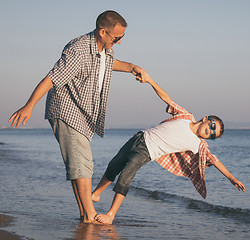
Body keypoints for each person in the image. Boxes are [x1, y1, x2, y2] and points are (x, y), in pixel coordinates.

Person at [8, 10, 147, 223]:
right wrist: (29, 106)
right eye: (117, 38)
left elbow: (108, 64)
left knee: (77, 164)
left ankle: (84, 214)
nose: (119, 43)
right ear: (103, 32)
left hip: (83, 114)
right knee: (83, 163)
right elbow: (51, 78)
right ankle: (90, 215)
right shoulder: (79, 50)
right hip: (65, 109)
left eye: (122, 38)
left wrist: (132, 68)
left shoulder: (105, 50)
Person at [92, 72, 245, 224]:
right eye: (212, 127)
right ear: (206, 118)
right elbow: (167, 99)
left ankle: (111, 215)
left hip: (148, 151)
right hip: (139, 137)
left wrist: (232, 178)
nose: (209, 132)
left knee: (125, 177)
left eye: (213, 135)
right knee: (113, 166)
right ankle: (96, 194)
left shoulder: (198, 144)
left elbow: (214, 160)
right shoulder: (186, 116)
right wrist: (150, 80)